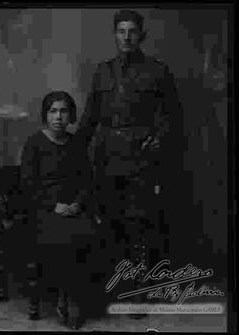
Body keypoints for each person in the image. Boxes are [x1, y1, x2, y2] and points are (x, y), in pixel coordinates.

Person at [74, 9, 185, 313]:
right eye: (121, 31)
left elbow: (172, 117)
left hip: (141, 159)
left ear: (142, 35)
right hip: (107, 158)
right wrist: (73, 149)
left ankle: (139, 291)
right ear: (114, 35)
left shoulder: (157, 71)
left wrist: (156, 141)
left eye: (132, 31)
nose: (126, 37)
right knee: (111, 221)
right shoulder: (103, 71)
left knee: (140, 224)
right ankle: (114, 288)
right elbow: (90, 118)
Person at [20, 91, 94, 329]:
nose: (58, 117)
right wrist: (54, 205)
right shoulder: (35, 143)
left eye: (63, 111)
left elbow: (86, 181)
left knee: (89, 232)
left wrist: (77, 204)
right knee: (61, 236)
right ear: (45, 115)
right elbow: (28, 185)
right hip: (44, 209)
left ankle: (76, 295)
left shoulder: (76, 144)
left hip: (73, 208)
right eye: (53, 111)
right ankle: (65, 298)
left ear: (70, 115)